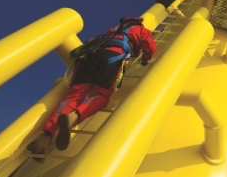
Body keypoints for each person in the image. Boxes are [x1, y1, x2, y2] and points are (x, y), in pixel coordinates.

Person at [27, 17, 157, 156]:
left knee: (74, 96)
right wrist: (145, 59)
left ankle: (45, 137)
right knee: (100, 95)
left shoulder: (113, 29)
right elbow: (150, 47)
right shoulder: (141, 30)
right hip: (112, 58)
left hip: (88, 57)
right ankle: (74, 117)